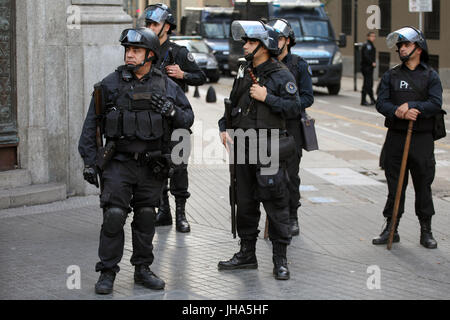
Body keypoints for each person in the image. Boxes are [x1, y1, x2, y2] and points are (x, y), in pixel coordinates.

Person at [78, 28, 194, 294]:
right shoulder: (110, 84)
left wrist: (172, 110)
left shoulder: (166, 85)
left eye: (136, 51)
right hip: (118, 163)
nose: (129, 55)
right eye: (127, 50)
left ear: (150, 55)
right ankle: (107, 272)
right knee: (114, 216)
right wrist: (89, 160)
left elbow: (187, 120)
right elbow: (91, 125)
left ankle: (142, 269)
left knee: (145, 218)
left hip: (152, 165)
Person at [217, 21, 302, 280]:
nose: (245, 46)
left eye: (251, 42)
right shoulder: (244, 70)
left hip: (268, 147)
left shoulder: (281, 74)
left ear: (265, 46)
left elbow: (295, 108)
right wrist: (223, 126)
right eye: (246, 42)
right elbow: (232, 104)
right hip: (242, 145)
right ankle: (246, 254)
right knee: (244, 201)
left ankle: (280, 259)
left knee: (276, 201)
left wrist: (268, 98)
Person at [373, 26, 443, 249]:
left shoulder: (431, 76)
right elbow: (381, 103)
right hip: (396, 137)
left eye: (406, 45)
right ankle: (391, 227)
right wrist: (397, 111)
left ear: (419, 48)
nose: (402, 49)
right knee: (395, 186)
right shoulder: (391, 75)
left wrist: (412, 106)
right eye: (400, 45)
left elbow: (435, 103)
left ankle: (426, 230)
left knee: (423, 185)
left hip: (421, 139)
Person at [143, 3, 207, 233]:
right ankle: (164, 212)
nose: (150, 28)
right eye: (148, 24)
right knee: (156, 168)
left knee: (179, 170)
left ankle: (181, 214)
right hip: (151, 122)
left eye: (154, 24)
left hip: (177, 120)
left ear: (167, 27)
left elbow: (201, 76)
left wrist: (183, 74)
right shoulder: (144, 50)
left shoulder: (178, 52)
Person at [269, 18, 314, 236]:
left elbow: (307, 98)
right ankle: (274, 215)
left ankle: (292, 215)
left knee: (291, 175)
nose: (274, 42)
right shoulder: (264, 64)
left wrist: (286, 105)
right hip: (268, 127)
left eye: (278, 38)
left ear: (287, 40)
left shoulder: (298, 65)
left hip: (291, 127)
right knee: (269, 174)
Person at [361, 31, 377, 106]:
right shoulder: (367, 45)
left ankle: (372, 99)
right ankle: (363, 100)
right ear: (368, 37)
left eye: (374, 36)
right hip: (366, 67)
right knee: (367, 84)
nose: (373, 38)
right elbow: (366, 55)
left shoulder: (370, 44)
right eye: (372, 36)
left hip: (369, 68)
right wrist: (372, 62)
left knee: (369, 84)